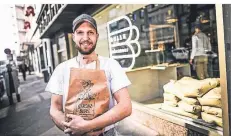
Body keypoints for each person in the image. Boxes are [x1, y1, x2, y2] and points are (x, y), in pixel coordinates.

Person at [45, 14, 132, 136]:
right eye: (80, 32)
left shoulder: (111, 65)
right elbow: (55, 109)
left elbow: (125, 106)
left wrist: (87, 126)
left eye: (90, 32)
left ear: (96, 36)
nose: (85, 37)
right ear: (73, 37)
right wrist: (73, 128)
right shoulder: (61, 69)